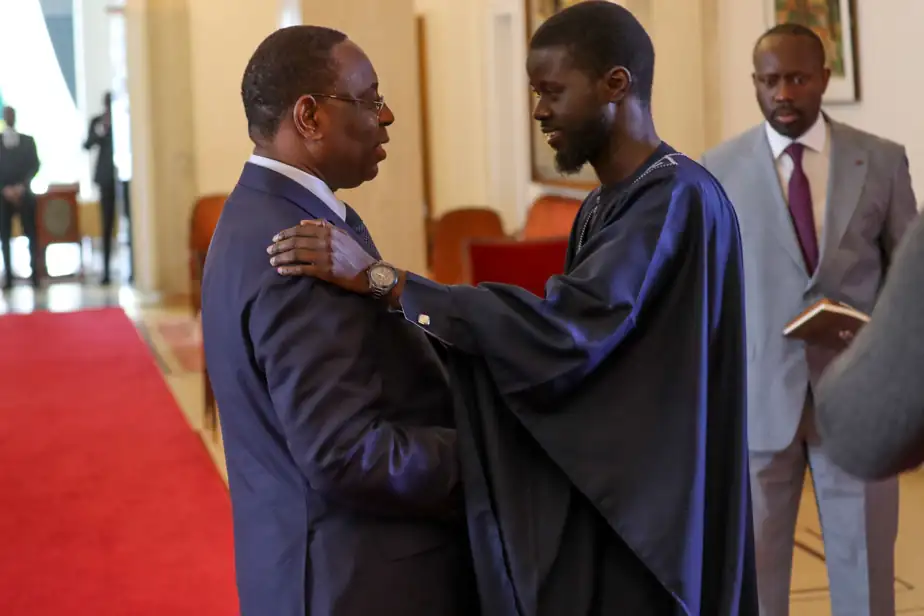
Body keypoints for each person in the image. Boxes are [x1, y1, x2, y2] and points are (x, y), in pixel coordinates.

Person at [266, 3, 757, 614]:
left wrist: (383, 282)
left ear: (616, 84)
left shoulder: (675, 196)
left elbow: (565, 334)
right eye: (534, 92)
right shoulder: (608, 203)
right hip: (622, 491)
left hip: (655, 510)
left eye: (553, 91)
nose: (539, 111)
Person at [200, 26, 476, 616]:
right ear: (309, 116)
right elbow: (345, 453)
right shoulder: (296, 245)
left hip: (307, 565)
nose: (389, 114)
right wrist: (486, 458)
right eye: (369, 99)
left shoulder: (264, 211)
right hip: (355, 581)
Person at [700, 23, 917, 616]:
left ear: (824, 77)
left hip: (859, 402)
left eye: (797, 78)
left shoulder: (881, 160)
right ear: (755, 85)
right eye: (770, 81)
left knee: (865, 572)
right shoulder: (714, 171)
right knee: (757, 574)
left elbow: (909, 285)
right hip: (757, 399)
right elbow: (705, 294)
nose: (784, 94)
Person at [814, 210, 924, 480]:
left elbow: (865, 432)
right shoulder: (719, 171)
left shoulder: (884, 166)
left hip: (860, 396)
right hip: (768, 385)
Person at [0, 106, 40, 289]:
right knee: (5, 235)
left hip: (24, 193)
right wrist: (5, 189)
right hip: (3, 195)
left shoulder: (27, 141)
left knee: (31, 232)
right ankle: (8, 276)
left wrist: (21, 187)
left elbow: (34, 164)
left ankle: (35, 275)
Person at [83, 92, 117, 284]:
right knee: (106, 224)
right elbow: (87, 144)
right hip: (105, 179)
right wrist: (100, 130)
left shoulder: (124, 117)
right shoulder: (97, 121)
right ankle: (105, 271)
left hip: (124, 178)